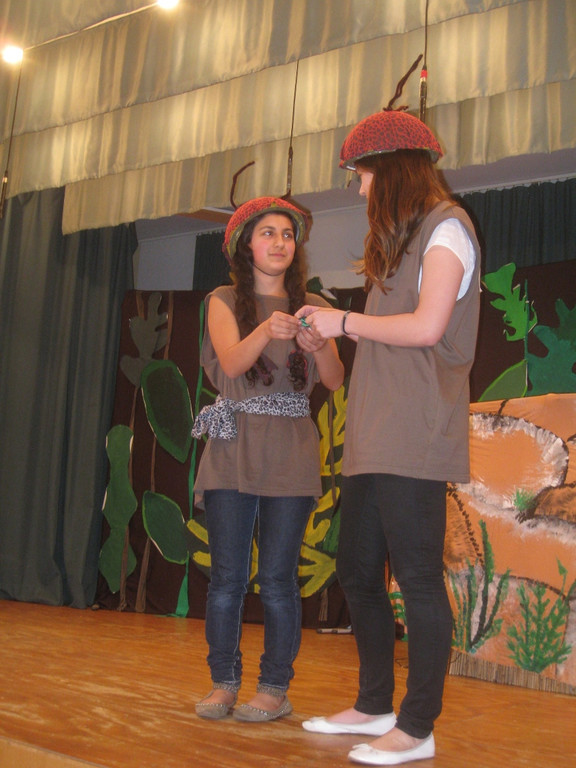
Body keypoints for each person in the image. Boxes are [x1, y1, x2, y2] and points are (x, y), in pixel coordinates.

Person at [297, 110, 481, 765]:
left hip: (416, 435)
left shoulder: (448, 228)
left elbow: (428, 328)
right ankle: (374, 703)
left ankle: (418, 725)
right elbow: (373, 350)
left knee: (418, 580)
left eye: (362, 174)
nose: (358, 188)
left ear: (393, 169)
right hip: (372, 438)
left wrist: (343, 321)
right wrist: (328, 334)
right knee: (356, 571)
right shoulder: (395, 250)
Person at [191, 196, 345, 723]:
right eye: (268, 233)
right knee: (227, 579)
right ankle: (223, 682)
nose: (280, 242)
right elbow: (233, 363)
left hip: (290, 448)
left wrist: (318, 342)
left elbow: (333, 379)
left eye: (287, 234)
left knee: (279, 580)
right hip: (233, 445)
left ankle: (275, 688)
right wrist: (266, 329)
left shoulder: (313, 303)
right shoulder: (223, 299)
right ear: (245, 245)